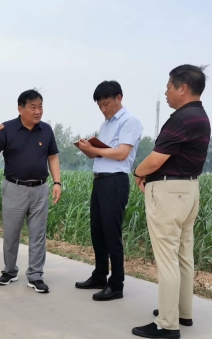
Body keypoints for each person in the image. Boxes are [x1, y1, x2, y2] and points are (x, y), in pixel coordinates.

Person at [132, 65, 211, 339]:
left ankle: (167, 323)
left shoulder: (180, 119)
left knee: (167, 257)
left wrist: (138, 172)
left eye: (168, 87)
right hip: (189, 190)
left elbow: (156, 159)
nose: (166, 92)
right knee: (183, 255)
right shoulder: (201, 117)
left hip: (169, 192)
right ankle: (182, 312)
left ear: (183, 88)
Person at [0, 90, 61, 293]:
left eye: (40, 107)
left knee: (38, 234)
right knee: (11, 233)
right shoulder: (7, 129)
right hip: (14, 188)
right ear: (20, 109)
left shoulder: (46, 130)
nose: (38, 111)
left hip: (40, 188)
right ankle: (9, 271)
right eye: (33, 107)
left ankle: (35, 275)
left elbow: (52, 157)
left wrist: (57, 182)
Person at [75, 81, 143, 301]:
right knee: (98, 231)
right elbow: (100, 154)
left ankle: (116, 284)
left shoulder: (129, 121)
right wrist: (88, 149)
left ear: (119, 98)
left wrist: (93, 148)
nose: (103, 109)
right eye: (100, 106)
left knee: (112, 234)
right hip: (100, 180)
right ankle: (99, 275)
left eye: (106, 104)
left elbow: (121, 154)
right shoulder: (106, 125)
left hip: (115, 181)